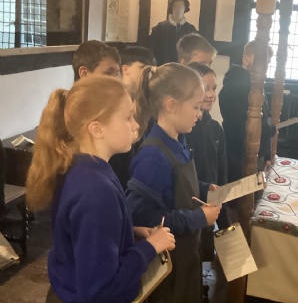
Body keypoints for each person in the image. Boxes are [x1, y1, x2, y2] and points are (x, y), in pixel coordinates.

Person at [26, 76, 175, 303]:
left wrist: (128, 232)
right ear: (96, 129)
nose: (136, 125)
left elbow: (81, 235)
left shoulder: (81, 166)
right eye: (128, 117)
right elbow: (100, 288)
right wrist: (150, 247)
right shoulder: (95, 190)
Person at [125, 63, 221, 303]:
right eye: (195, 107)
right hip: (169, 264)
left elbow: (177, 186)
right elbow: (143, 216)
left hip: (187, 253)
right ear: (171, 105)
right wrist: (198, 218)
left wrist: (203, 188)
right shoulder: (153, 156)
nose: (199, 114)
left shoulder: (179, 141)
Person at [186, 62, 230, 303]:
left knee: (204, 252)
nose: (212, 94)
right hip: (190, 207)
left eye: (214, 88)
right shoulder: (185, 130)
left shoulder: (215, 129)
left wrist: (225, 224)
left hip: (211, 204)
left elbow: (221, 177)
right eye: (206, 88)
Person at [219, 40, 276, 184]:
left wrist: (266, 153)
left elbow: (264, 116)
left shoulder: (254, 83)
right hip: (240, 155)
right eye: (261, 62)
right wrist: (268, 130)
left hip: (256, 152)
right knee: (242, 195)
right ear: (246, 59)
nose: (264, 67)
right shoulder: (235, 85)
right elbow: (237, 126)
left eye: (267, 63)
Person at [109, 46, 156, 190]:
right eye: (142, 67)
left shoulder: (148, 101)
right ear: (125, 69)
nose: (147, 73)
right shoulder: (111, 100)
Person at [148, 0, 197, 65]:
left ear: (185, 9)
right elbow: (152, 50)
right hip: (163, 66)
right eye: (176, 6)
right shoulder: (160, 28)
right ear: (172, 8)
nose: (178, 9)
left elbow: (194, 52)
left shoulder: (190, 29)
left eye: (181, 7)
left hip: (183, 68)